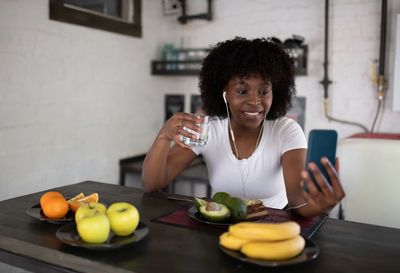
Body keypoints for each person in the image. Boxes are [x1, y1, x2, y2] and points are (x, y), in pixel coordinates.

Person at [142, 37, 345, 217]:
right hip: (219, 225)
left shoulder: (286, 130)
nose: (255, 101)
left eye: (264, 91)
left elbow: (297, 202)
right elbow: (152, 183)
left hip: (273, 226)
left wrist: (321, 205)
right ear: (225, 93)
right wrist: (163, 136)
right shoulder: (209, 128)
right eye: (242, 91)